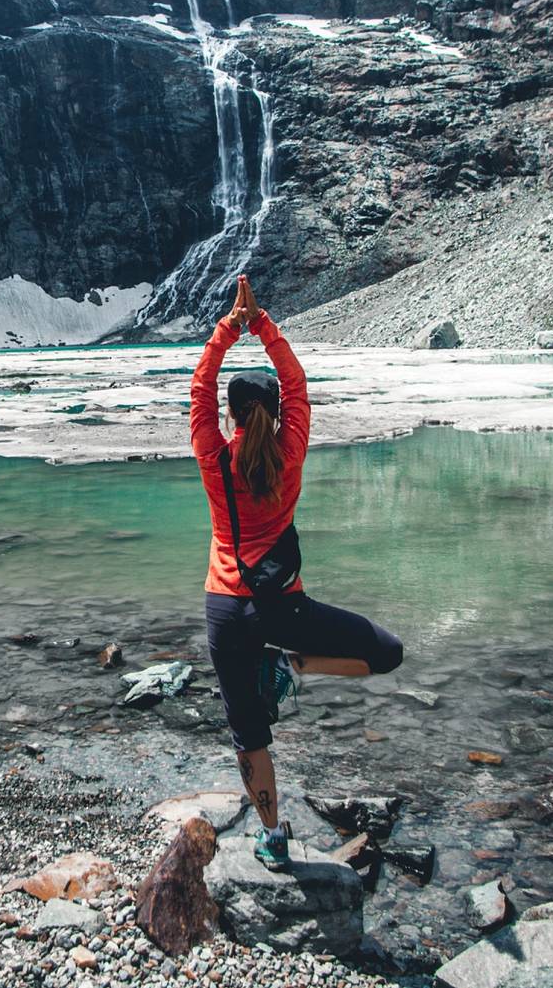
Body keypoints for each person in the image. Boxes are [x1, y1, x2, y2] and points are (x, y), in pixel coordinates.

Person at [191, 274, 404, 869]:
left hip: (226, 608)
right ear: (280, 416)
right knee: (386, 652)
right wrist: (263, 324)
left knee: (249, 734)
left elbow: (199, 388)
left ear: (230, 418)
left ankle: (272, 833)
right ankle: (293, 663)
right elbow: (298, 382)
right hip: (283, 606)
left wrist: (228, 329)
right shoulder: (292, 452)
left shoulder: (213, 456)